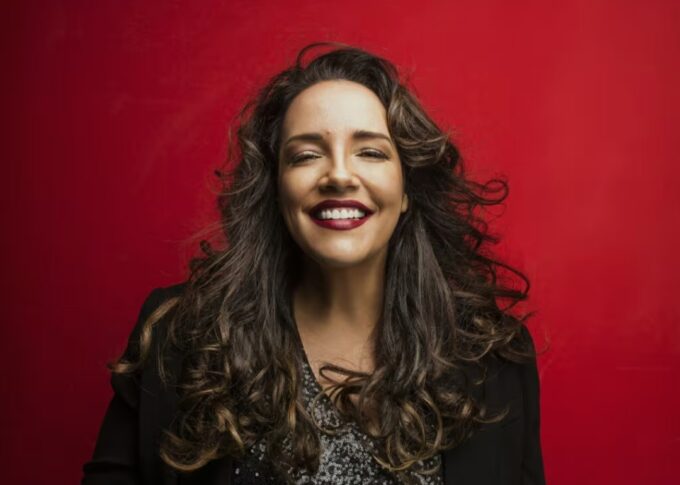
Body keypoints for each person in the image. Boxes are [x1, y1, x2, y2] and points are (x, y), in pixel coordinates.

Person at [82, 42, 546, 485]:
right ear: (276, 189)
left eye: (370, 152)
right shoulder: (178, 339)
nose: (339, 175)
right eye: (306, 155)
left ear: (407, 190)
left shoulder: (495, 360)